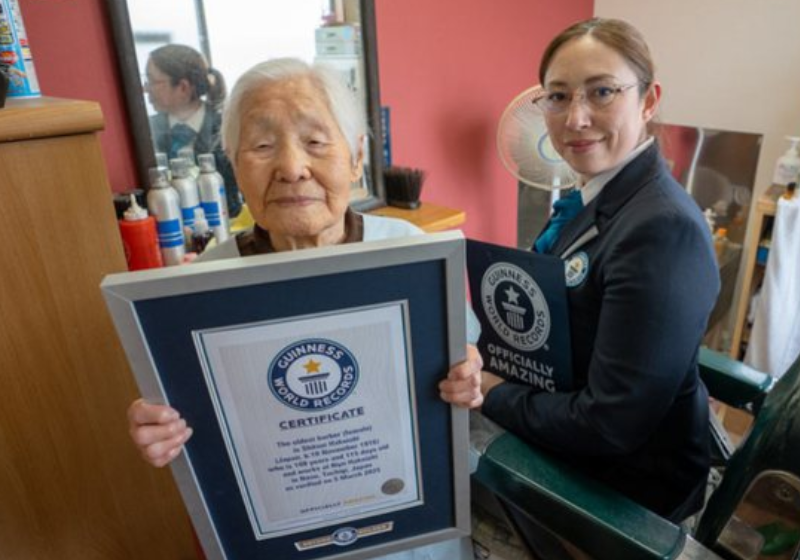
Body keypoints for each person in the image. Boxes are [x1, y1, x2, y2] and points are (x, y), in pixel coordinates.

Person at [129, 57, 483, 560]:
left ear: (357, 157)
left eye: (316, 142)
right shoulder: (202, 285)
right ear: (233, 163)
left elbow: (463, 352)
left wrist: (467, 371)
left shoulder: (410, 252)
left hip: (416, 534)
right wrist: (162, 425)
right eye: (262, 146)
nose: (293, 167)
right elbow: (190, 410)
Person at [443, 16, 720, 531]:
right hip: (562, 412)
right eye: (558, 96)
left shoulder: (661, 231)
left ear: (649, 100)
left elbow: (611, 425)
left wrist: (492, 388)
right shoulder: (592, 196)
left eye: (602, 92)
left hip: (626, 488)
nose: (576, 118)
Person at [144, 44, 242, 217]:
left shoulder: (226, 127)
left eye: (152, 81)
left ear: (183, 87)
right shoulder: (146, 130)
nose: (146, 89)